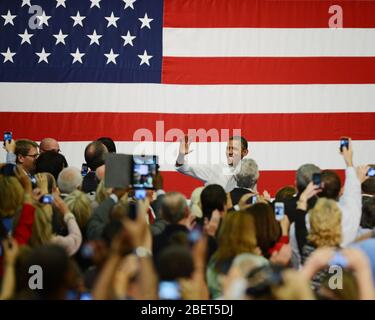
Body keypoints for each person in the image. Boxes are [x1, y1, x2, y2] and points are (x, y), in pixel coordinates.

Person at [175, 135, 249, 192]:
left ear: (245, 152)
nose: (229, 152)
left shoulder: (250, 173)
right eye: (228, 148)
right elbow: (183, 168)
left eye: (234, 149)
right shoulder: (214, 168)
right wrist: (181, 155)